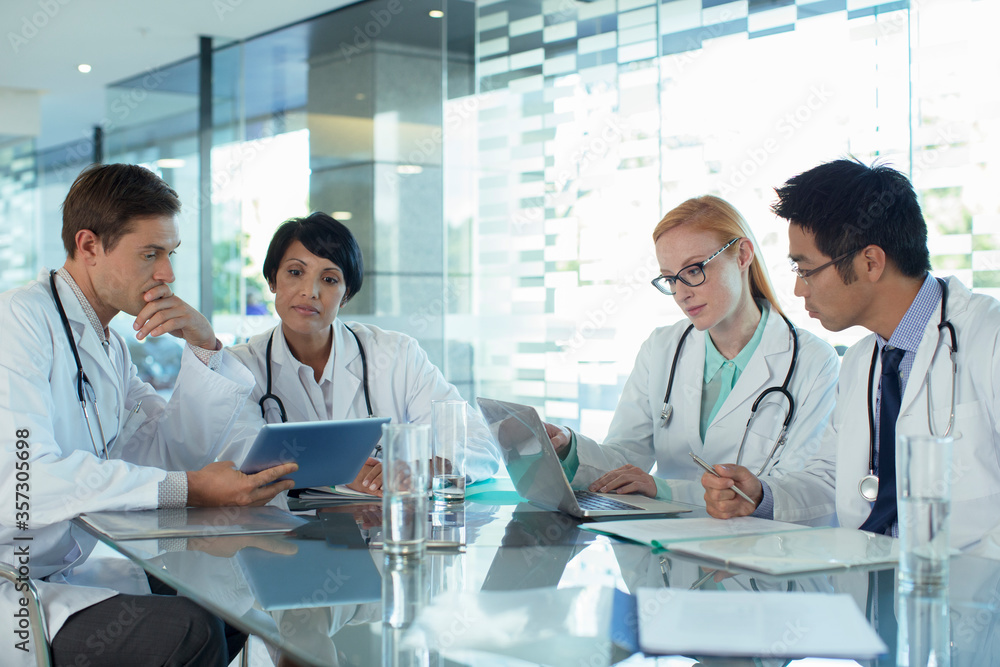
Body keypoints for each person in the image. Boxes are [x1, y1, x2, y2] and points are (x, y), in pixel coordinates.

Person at [0, 163, 297, 667]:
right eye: (150, 254)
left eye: (170, 253)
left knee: (226, 612)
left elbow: (165, 453)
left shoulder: (110, 347)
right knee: (191, 631)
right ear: (89, 245)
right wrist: (193, 488)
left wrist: (203, 347)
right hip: (13, 583)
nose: (168, 274)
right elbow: (24, 479)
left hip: (60, 574)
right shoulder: (20, 323)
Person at [701, 159, 1000, 549]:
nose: (798, 290)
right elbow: (830, 478)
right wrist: (759, 496)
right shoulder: (861, 361)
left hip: (971, 596)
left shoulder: (988, 337)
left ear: (870, 262)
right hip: (870, 586)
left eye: (805, 269)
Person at [544, 195, 840, 521]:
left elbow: (805, 490)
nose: (682, 293)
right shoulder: (661, 348)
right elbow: (625, 460)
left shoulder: (812, 362)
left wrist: (665, 490)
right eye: (670, 278)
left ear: (742, 255)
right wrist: (569, 447)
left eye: (694, 270)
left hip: (756, 551)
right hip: (668, 554)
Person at [219, 212, 501, 493]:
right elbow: (235, 458)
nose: (310, 291)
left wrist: (430, 468)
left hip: (382, 528)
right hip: (281, 530)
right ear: (272, 280)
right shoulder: (241, 365)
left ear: (346, 295)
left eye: (329, 279)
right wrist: (341, 473)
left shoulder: (396, 355)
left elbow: (479, 443)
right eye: (295, 272)